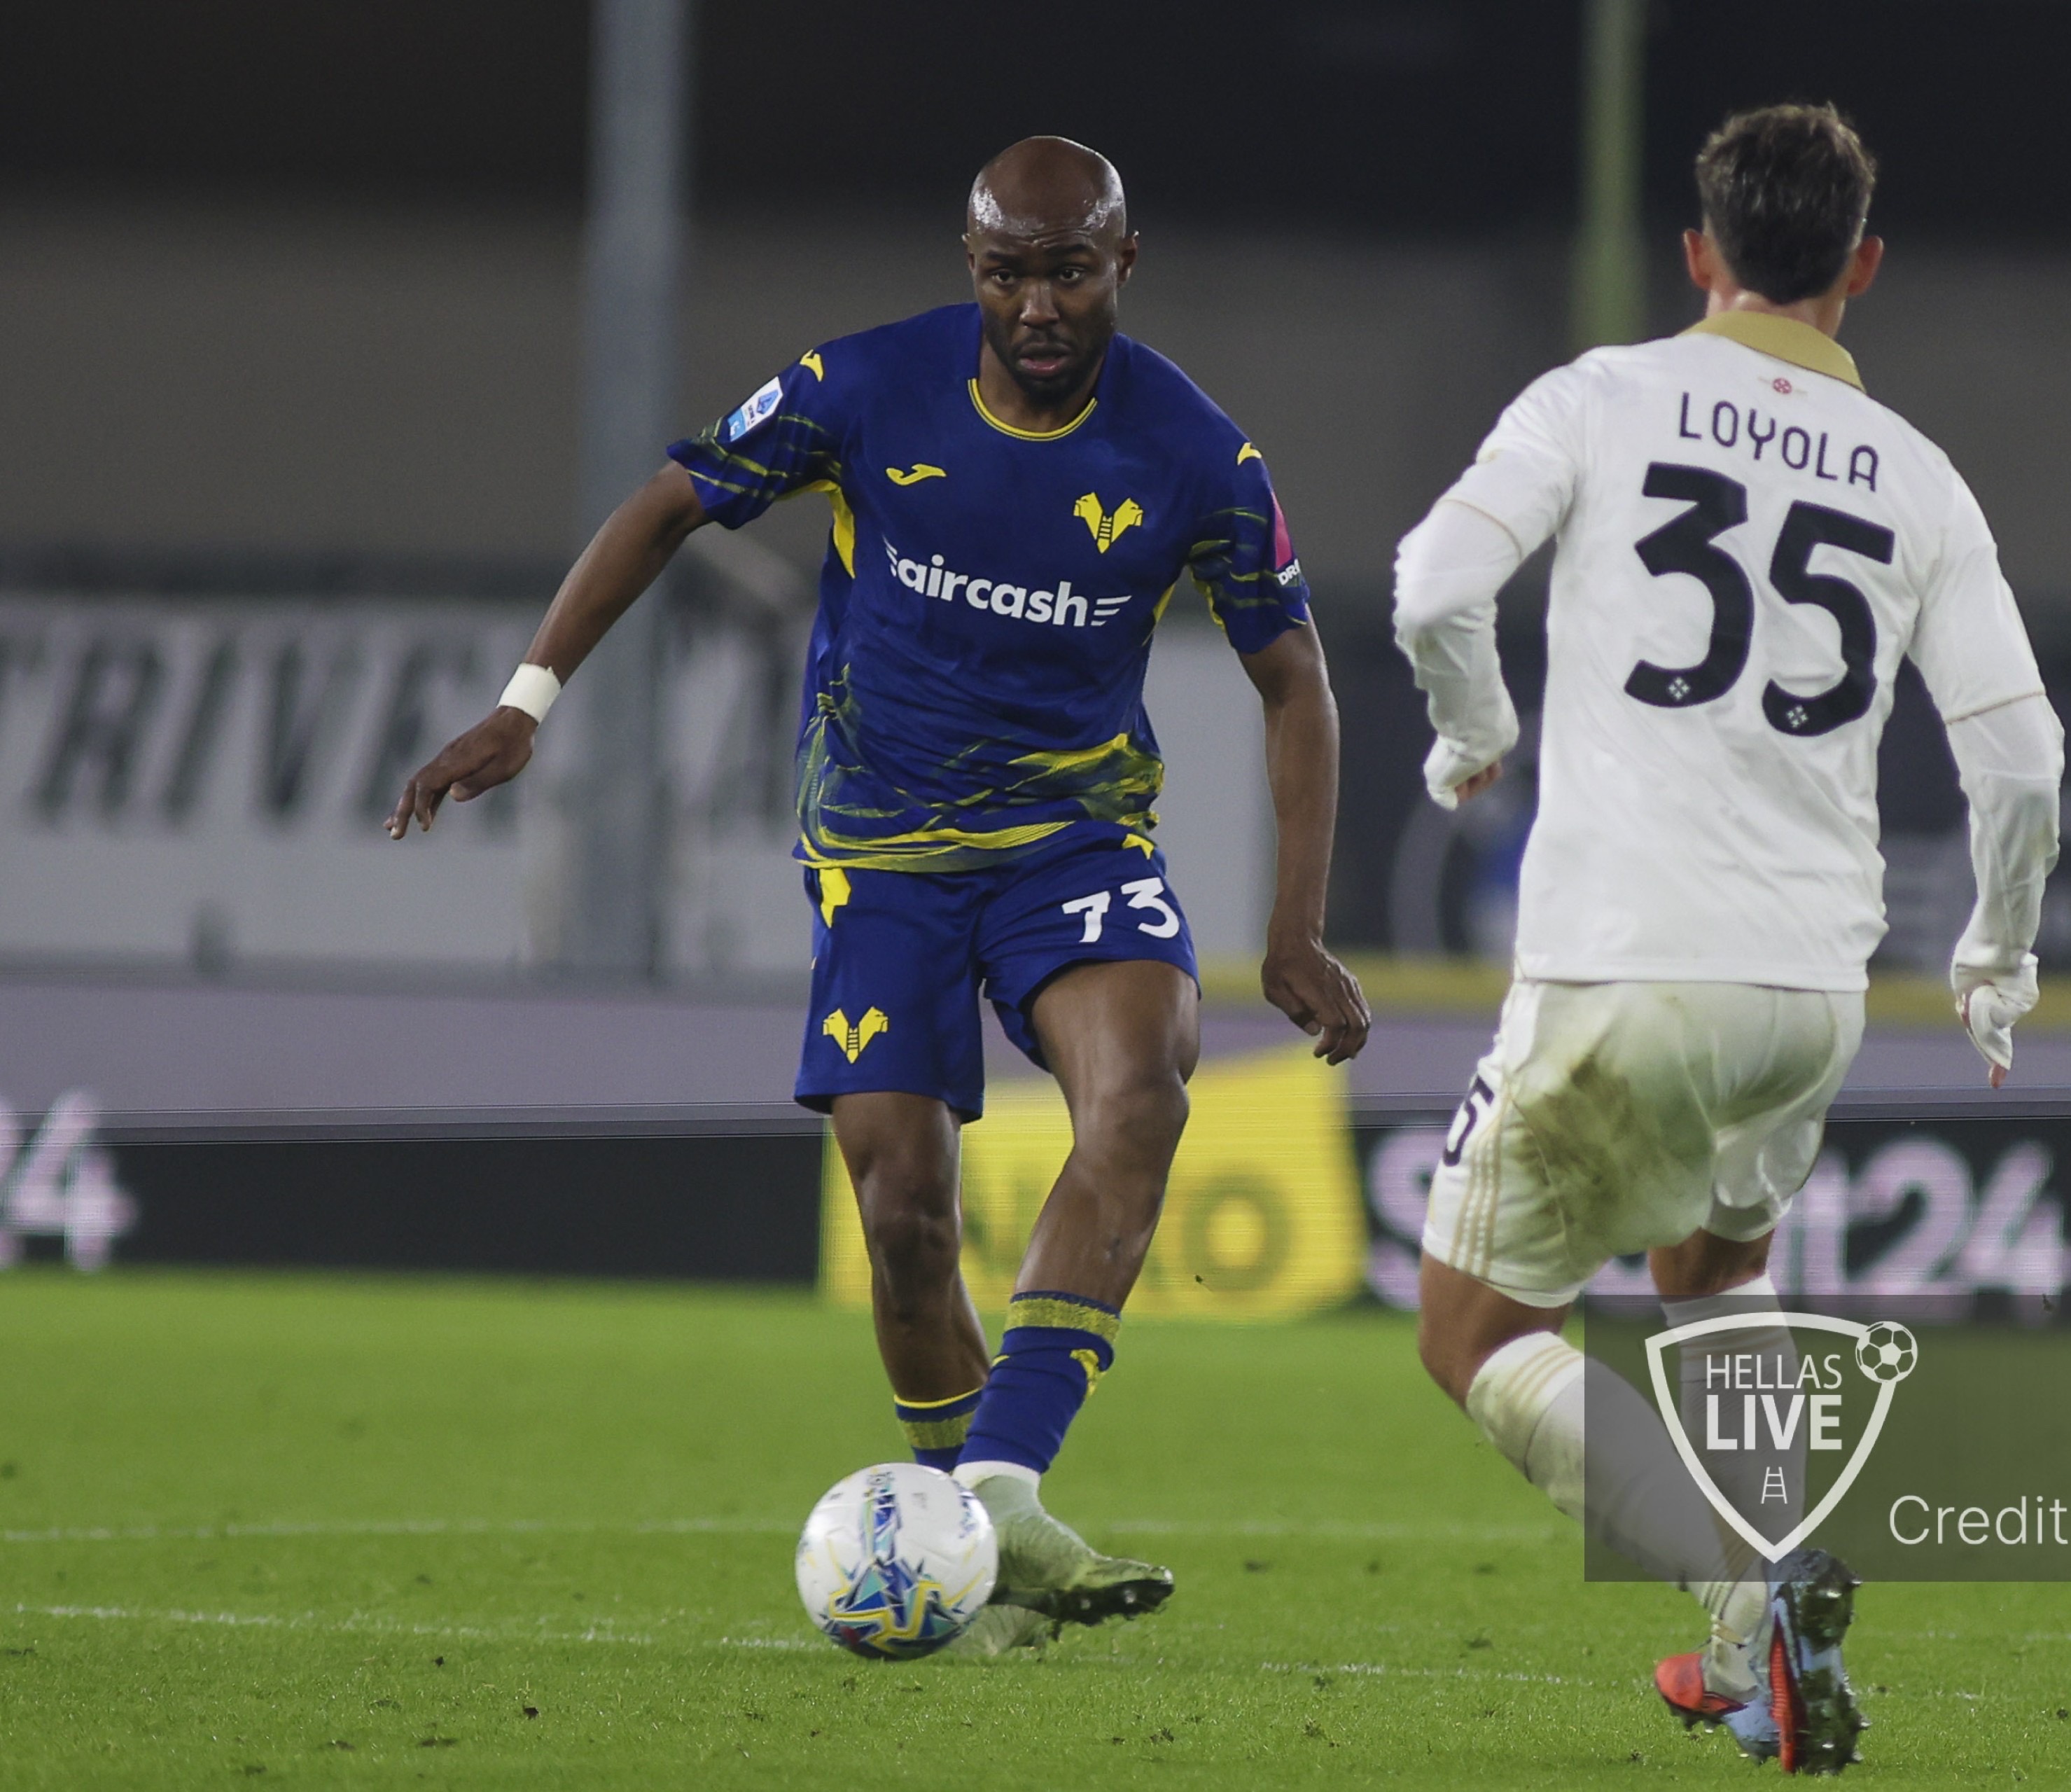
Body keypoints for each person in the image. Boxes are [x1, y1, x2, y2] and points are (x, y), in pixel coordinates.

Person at [387, 136, 1369, 1655]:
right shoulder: (862, 387)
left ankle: (1000, 1488)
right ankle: (970, 1543)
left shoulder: (1197, 453)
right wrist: (530, 698)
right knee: (905, 1211)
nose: (1037, 305)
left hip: (1076, 843)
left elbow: (1293, 676)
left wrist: (1295, 928)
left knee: (1142, 1092)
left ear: (1124, 261)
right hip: (885, 850)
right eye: (1006, 273)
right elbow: (669, 499)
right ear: (967, 266)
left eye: (1069, 270)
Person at [1390, 104, 2062, 1770]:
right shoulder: (1920, 474)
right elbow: (2025, 756)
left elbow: (1428, 586)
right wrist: (1999, 955)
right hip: (1808, 991)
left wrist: (1471, 728)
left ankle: (1752, 1582)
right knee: (1717, 1269)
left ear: (1698, 255)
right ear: (1861, 270)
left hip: (1627, 957)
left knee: (1472, 1332)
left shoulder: (1602, 397)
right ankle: (1754, 1662)